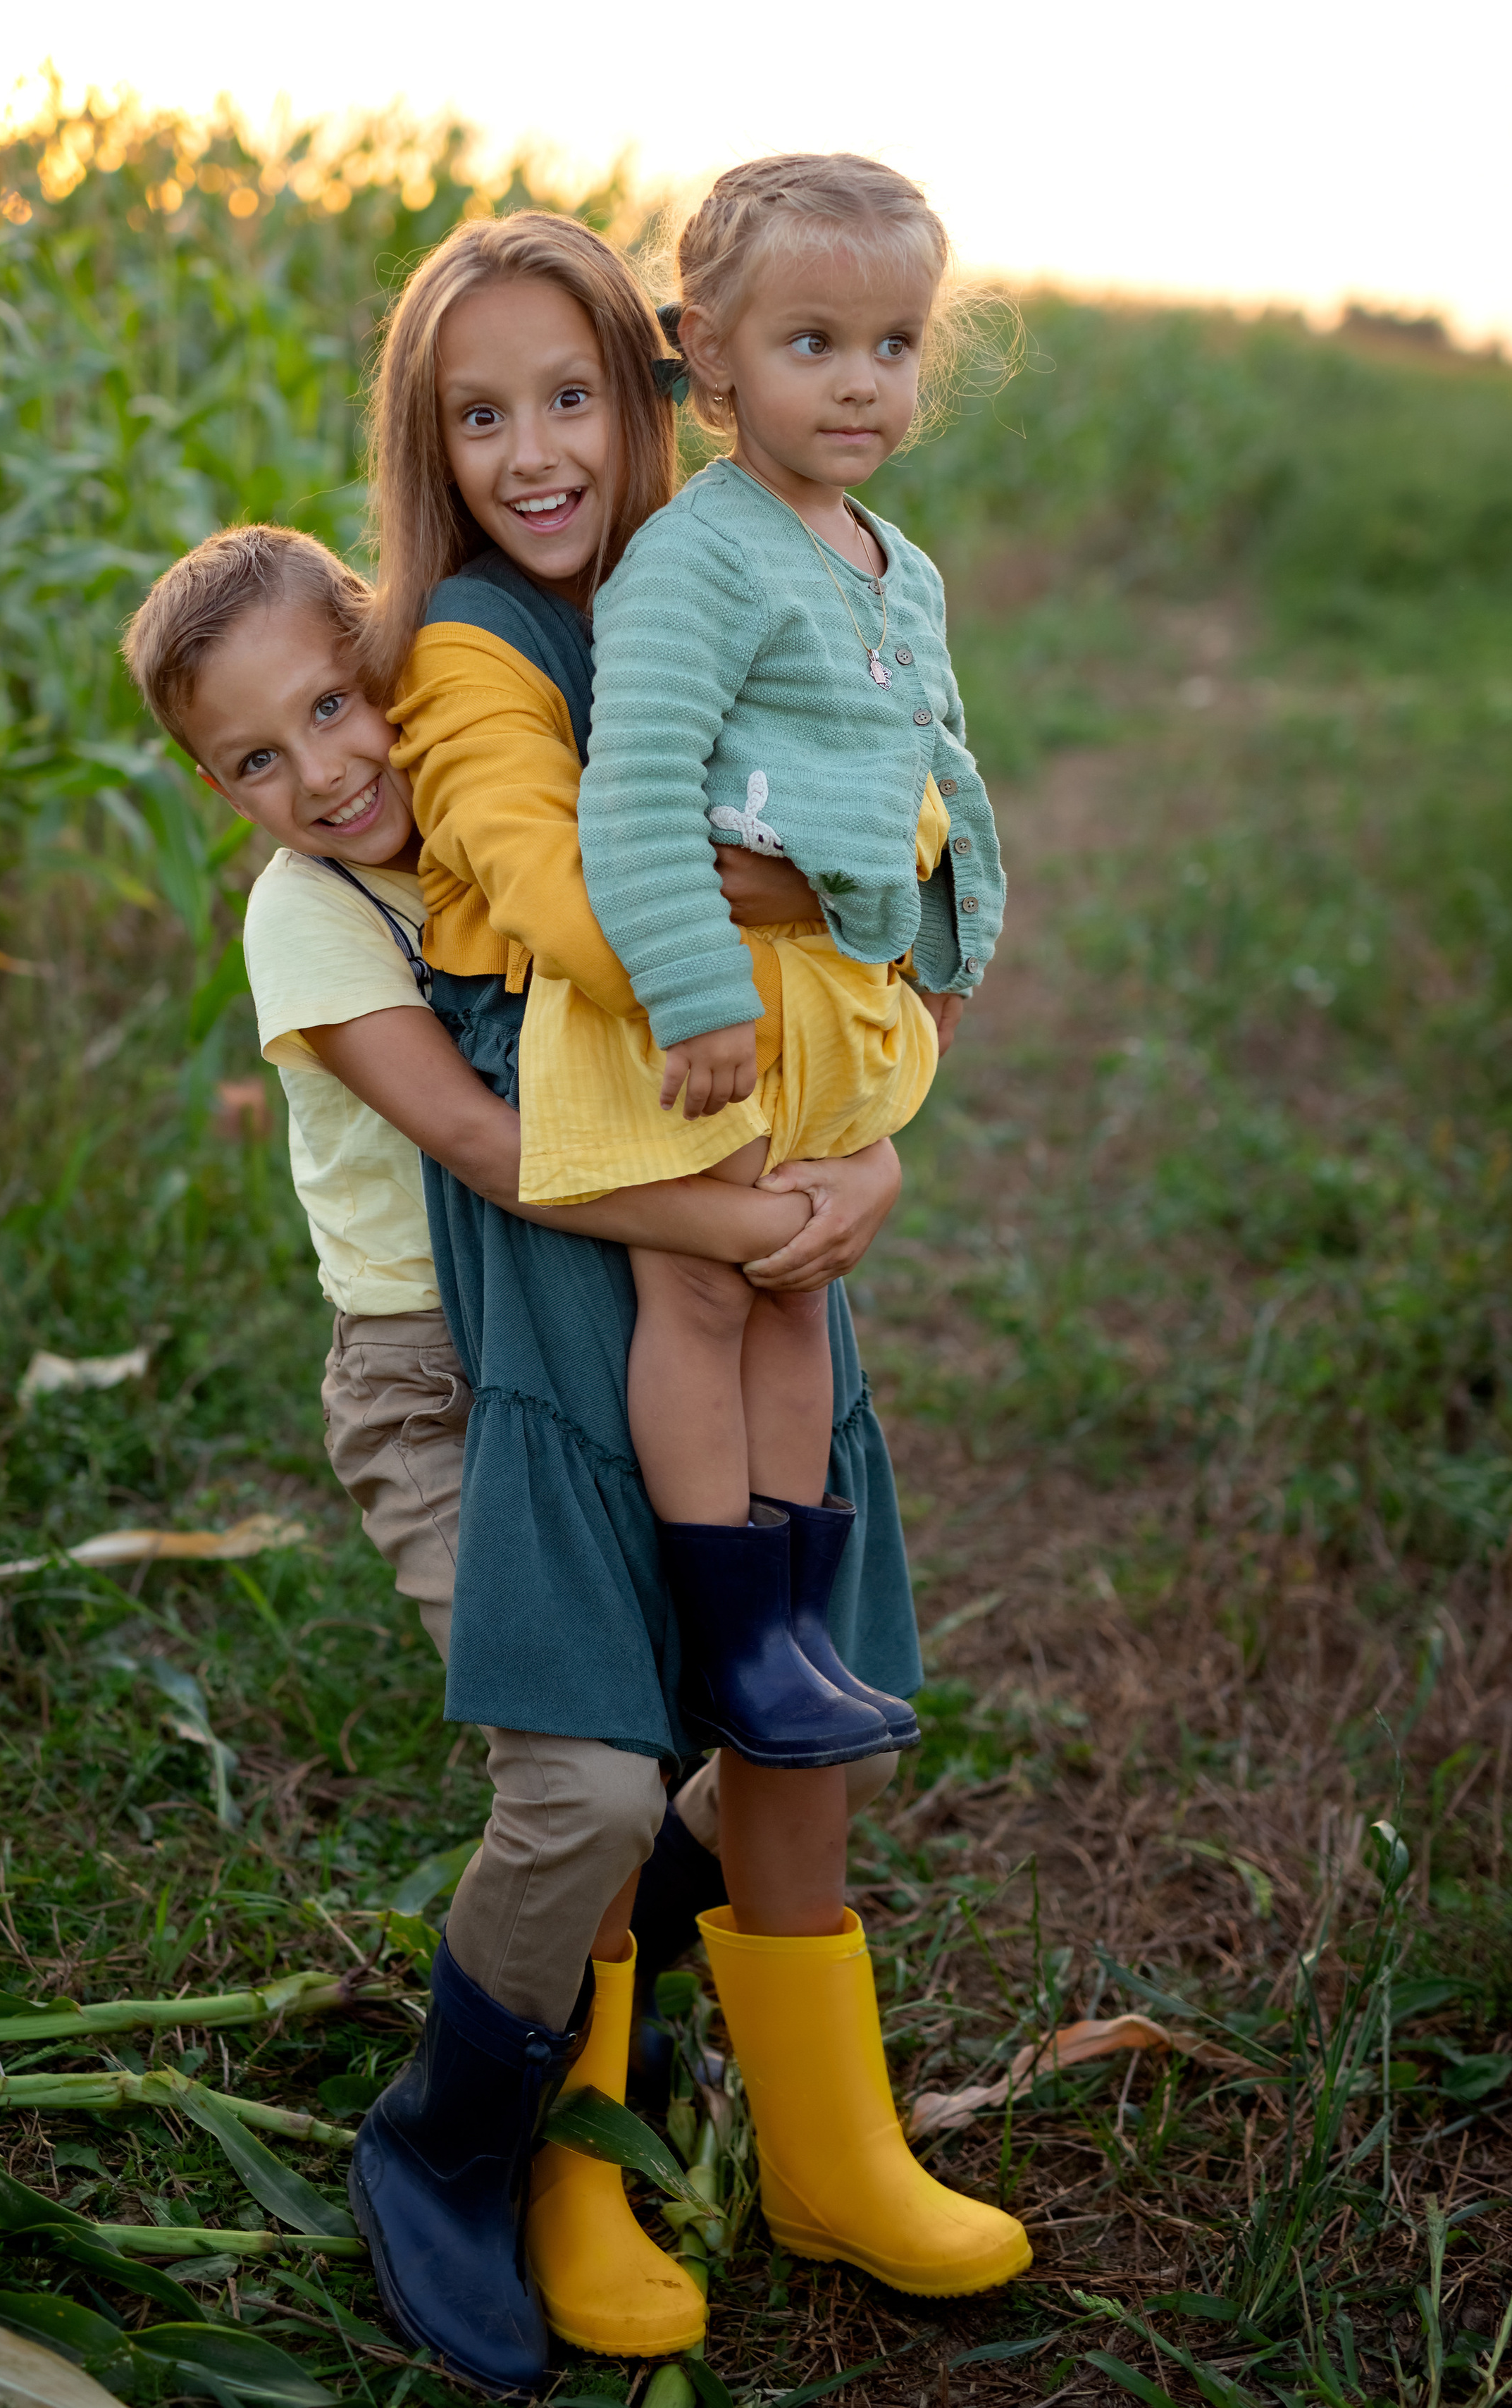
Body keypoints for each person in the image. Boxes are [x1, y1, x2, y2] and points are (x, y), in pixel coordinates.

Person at [118, 520, 907, 2388]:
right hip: (440, 1389)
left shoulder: (513, 813)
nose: (323, 771)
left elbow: (765, 1002)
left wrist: (857, 1160)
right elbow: (488, 1146)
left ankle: (664, 2028)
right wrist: (752, 1233)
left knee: (754, 1723)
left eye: (333, 702)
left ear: (387, 660)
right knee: (588, 1791)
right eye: (256, 758)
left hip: (616, 1335)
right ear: (216, 792)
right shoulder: (309, 917)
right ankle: (453, 2138)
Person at [355, 209, 1029, 2388]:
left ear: (658, 396)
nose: (537, 449)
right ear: (434, 449)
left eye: (574, 396)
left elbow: (912, 831)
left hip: (754, 1158)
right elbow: (541, 869)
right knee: (626, 1715)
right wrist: (753, 884)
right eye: (484, 415)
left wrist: (880, 1102)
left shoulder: (738, 572)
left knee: (781, 1697)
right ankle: (558, 2151)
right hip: (590, 1233)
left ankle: (833, 2142)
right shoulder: (468, 648)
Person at [511, 155, 1004, 1781]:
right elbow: (636, 785)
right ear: (710, 356)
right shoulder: (699, 553)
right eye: (811, 343)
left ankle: (790, 1628)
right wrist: (700, 993)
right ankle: (732, 1635)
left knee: (799, 1292)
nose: (861, 381)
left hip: (816, 1010)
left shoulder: (891, 559)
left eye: (892, 343)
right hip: (704, 1004)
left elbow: (926, 767)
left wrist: (940, 945)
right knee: (705, 1286)